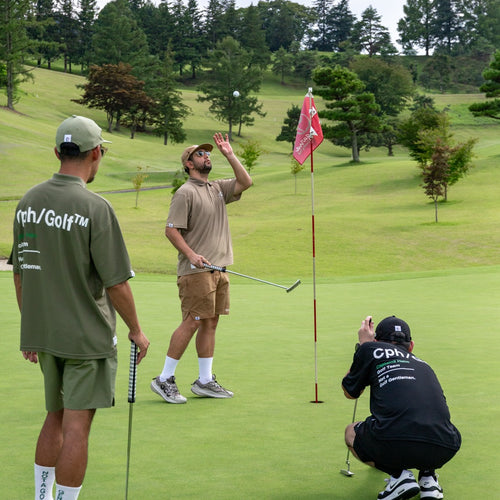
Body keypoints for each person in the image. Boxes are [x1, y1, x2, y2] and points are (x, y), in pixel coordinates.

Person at [9, 115, 150, 500]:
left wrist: (33, 331)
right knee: (76, 428)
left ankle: (42, 498)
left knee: (54, 417)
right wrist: (136, 329)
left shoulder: (28, 202)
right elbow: (116, 282)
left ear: (57, 152)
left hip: (46, 336)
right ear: (96, 153)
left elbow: (20, 274)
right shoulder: (95, 207)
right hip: (87, 340)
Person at [151, 133, 252, 404]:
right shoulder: (185, 192)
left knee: (211, 322)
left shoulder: (217, 188)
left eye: (208, 154)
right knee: (193, 321)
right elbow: (171, 231)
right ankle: (164, 378)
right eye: (200, 154)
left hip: (219, 270)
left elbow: (246, 182)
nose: (207, 156)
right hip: (195, 271)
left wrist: (230, 153)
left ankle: (205, 381)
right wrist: (191, 254)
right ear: (188, 164)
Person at [341, 315, 461, 500]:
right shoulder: (424, 364)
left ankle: (399, 476)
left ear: (377, 341)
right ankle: (428, 479)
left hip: (394, 440)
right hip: (446, 446)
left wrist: (364, 346)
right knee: (424, 422)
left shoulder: (372, 349)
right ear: (411, 346)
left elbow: (350, 393)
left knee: (351, 432)